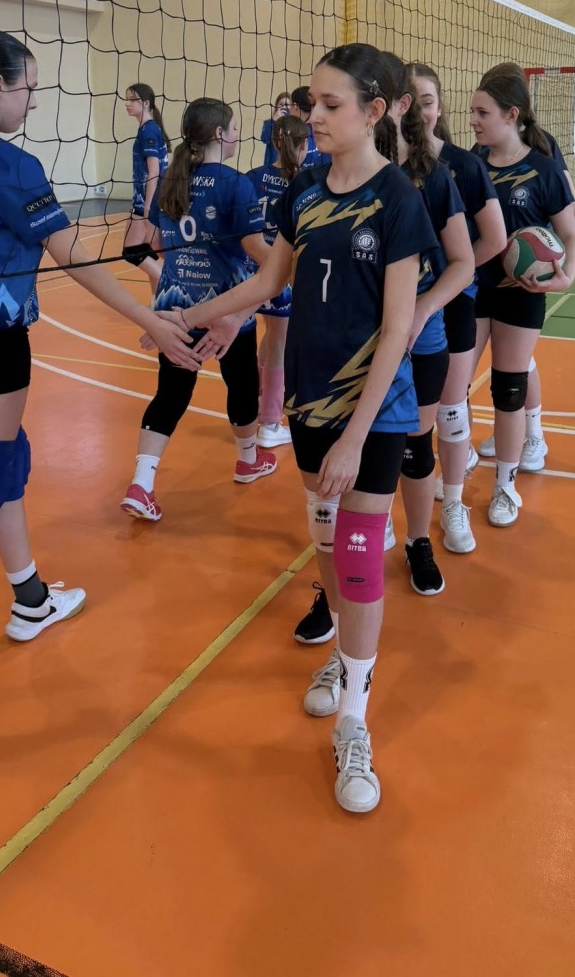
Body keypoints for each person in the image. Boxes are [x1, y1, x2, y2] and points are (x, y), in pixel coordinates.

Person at [0, 29, 201, 713]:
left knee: (4, 460)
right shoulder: (10, 164)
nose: (32, 102)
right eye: (29, 88)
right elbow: (71, 256)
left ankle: (31, 598)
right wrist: (148, 317)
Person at [178, 43, 438, 815]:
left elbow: (397, 330)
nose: (312, 115)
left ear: (374, 111)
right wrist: (194, 317)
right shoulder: (303, 191)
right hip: (310, 402)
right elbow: (268, 280)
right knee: (325, 542)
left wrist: (358, 436)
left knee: (357, 552)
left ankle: (355, 719)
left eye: (330, 104)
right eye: (311, 104)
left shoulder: (398, 200)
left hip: (375, 412)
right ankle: (345, 660)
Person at [120, 98, 277, 523]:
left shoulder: (172, 180)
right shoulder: (235, 183)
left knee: (171, 393)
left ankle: (142, 483)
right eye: (234, 128)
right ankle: (248, 461)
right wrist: (287, 261)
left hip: (173, 307)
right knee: (241, 385)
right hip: (225, 306)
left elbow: (153, 245)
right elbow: (260, 255)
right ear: (219, 134)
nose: (237, 135)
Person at [469, 62, 575, 528]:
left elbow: (570, 235)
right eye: (472, 112)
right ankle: (455, 471)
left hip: (522, 294)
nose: (473, 121)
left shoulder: (543, 169)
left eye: (482, 113)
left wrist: (565, 276)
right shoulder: (471, 164)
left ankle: (505, 485)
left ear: (511, 115)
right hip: (473, 288)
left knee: (508, 389)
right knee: (453, 387)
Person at [404, 62, 507, 553]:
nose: (420, 111)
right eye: (412, 101)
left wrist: (452, 274)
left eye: (428, 101)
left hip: (453, 302)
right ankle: (384, 509)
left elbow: (494, 238)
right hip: (395, 305)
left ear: (438, 106)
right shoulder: (384, 166)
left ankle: (452, 503)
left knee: (449, 405)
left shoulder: (463, 166)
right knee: (393, 410)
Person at [387, 58, 474, 591]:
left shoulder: (435, 178)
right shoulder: (341, 175)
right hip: (360, 341)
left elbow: (463, 261)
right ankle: (359, 543)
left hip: (422, 339)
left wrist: (421, 310)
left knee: (416, 447)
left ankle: (418, 540)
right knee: (363, 450)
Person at [246, 113, 309, 449]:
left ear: (272, 142)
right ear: (304, 146)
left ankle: (261, 401)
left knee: (270, 338)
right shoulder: (305, 183)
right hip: (283, 272)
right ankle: (270, 422)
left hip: (253, 270)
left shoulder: (252, 178)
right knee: (279, 346)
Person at [122, 82, 170, 294]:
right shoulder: (148, 128)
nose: (127, 104)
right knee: (149, 249)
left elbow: (154, 171)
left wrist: (148, 206)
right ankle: (157, 301)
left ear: (146, 103)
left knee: (132, 250)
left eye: (132, 100)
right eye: (127, 99)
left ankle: (171, 282)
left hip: (147, 201)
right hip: (146, 199)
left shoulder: (149, 130)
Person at [289, 85, 331, 168]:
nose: (289, 108)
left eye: (289, 105)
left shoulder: (291, 131)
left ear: (295, 106)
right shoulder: (324, 127)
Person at [259, 92, 292, 168]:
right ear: (276, 106)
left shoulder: (295, 124)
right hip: (272, 165)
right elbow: (265, 139)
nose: (284, 107)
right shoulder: (269, 122)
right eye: (281, 104)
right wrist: (273, 121)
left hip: (289, 164)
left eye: (287, 104)